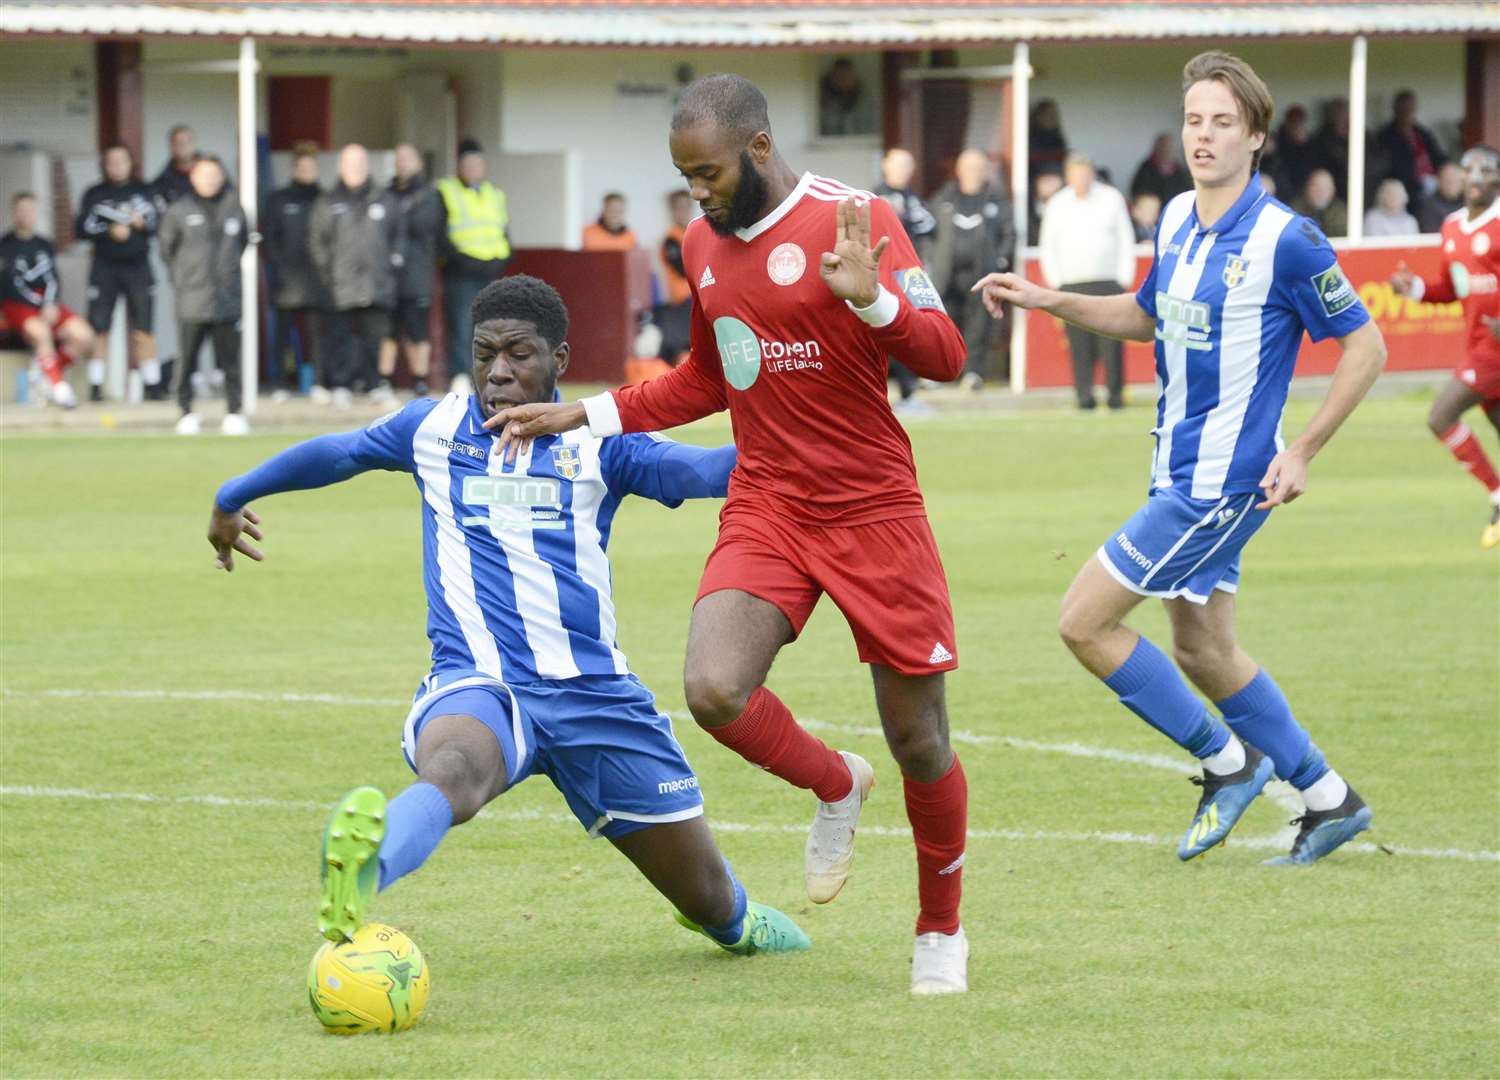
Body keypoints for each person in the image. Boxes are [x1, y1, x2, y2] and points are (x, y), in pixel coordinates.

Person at [484, 74, 973, 994]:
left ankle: (940, 931)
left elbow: (944, 357)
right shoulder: (702, 243)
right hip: (770, 502)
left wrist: (875, 302)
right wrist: (584, 415)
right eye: (682, 176)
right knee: (713, 686)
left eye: (705, 173)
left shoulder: (854, 218)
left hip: (874, 510)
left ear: (756, 148)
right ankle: (835, 782)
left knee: (920, 741)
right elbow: (706, 378)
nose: (695, 193)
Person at [205, 274, 809, 962]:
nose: (498, 371)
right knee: (455, 770)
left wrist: (803, 423)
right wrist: (232, 495)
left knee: (708, 901)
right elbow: (336, 453)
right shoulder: (433, 428)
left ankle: (735, 919)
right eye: (485, 352)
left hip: (595, 696)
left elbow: (710, 471)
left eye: (519, 354)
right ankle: (363, 870)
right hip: (482, 684)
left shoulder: (603, 444)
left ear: (558, 360)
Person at [975, 50, 1387, 867]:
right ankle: (1330, 799)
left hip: (1220, 485)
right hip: (1174, 468)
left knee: (1083, 622)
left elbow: (1366, 347)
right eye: (1194, 120)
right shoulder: (1173, 220)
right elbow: (1145, 315)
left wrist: (1302, 449)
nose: (1204, 136)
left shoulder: (1287, 240)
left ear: (1256, 138)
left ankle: (1230, 763)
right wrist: (1049, 299)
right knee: (1202, 648)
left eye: (1222, 123)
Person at [1390, 145, 1500, 548]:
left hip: (1493, 352)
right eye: (1468, 168)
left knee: (1440, 417)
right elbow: (1453, 288)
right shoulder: (1453, 227)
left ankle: (1496, 491)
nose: (1474, 176)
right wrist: (1415, 288)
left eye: (1485, 169)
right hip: (1476, 343)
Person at [157, 155, 249, 436]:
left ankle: (234, 412)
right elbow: (166, 250)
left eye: (214, 174)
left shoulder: (235, 208)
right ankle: (186, 412)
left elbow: (242, 244)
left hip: (227, 299)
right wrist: (185, 279)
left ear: (222, 176)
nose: (210, 179)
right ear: (193, 177)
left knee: (231, 361)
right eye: (203, 174)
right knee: (187, 360)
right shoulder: (179, 210)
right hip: (192, 299)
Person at [1039, 152, 1138, 410]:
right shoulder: (1058, 203)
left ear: (1092, 173)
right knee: (1079, 345)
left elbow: (1125, 239)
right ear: (1068, 176)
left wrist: (1123, 279)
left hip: (1108, 281)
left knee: (1112, 343)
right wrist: (1056, 282)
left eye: (1084, 172)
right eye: (1075, 173)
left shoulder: (1111, 198)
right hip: (1072, 282)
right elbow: (1048, 244)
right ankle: (1084, 396)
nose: (1080, 178)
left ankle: (1115, 396)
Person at [310, 144, 396, 409]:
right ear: (340, 167)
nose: (355, 168)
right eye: (350, 163)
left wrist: (390, 267)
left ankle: (375, 385)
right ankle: (341, 385)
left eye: (360, 163)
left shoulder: (384, 198)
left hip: (376, 284)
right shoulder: (327, 201)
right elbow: (317, 243)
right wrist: (329, 275)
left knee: (375, 338)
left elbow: (398, 236)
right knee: (340, 338)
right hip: (340, 285)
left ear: (367, 166)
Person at [76, 143, 163, 403]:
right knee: (99, 327)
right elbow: (80, 229)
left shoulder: (144, 190)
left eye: (121, 161)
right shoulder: (94, 193)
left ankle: (152, 384)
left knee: (144, 327)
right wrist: (108, 231)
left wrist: (140, 224)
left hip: (138, 267)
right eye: (111, 161)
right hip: (104, 268)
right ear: (105, 164)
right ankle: (95, 384)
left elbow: (159, 223)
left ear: (130, 163)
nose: (117, 166)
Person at [930, 149, 1014, 391]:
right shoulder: (944, 198)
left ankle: (973, 372)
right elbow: (928, 232)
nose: (973, 173)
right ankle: (940, 374)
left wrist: (998, 261)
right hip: (947, 275)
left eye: (978, 167)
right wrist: (930, 260)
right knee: (944, 324)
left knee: (979, 326)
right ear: (959, 170)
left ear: (986, 170)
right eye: (968, 167)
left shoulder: (996, 200)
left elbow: (1009, 234)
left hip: (981, 274)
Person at [0, 192, 94, 408]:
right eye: (21, 210)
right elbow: (11, 285)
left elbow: (53, 278)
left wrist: (49, 303)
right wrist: (38, 305)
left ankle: (47, 371)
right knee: (41, 333)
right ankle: (60, 389)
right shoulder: (5, 246)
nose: (26, 215)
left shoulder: (44, 244)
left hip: (47, 304)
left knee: (84, 336)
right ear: (14, 214)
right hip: (18, 306)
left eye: (30, 210)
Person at [437, 139, 510, 397]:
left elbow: (503, 231)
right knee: (461, 323)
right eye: (467, 164)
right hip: (461, 270)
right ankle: (460, 375)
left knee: (491, 325)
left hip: (491, 270)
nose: (473, 169)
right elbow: (440, 234)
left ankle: (487, 374)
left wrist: (502, 259)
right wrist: (458, 260)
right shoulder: (446, 191)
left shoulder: (495, 194)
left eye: (477, 164)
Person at [874, 147, 938, 414]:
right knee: (889, 330)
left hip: (910, 275)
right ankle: (893, 392)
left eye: (907, 165)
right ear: (885, 166)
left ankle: (912, 389)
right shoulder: (874, 198)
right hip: (884, 276)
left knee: (914, 326)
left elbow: (931, 228)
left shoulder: (916, 200)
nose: (903, 171)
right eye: (898, 165)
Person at [378, 143, 441, 402]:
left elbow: (429, 229)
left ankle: (420, 381)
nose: (401, 163)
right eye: (398, 158)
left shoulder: (429, 195)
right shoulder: (386, 194)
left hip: (417, 272)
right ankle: (384, 380)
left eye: (407, 158)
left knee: (417, 330)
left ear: (419, 163)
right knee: (387, 329)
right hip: (388, 275)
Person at [263, 141, 325, 400]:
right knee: (283, 336)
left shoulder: (325, 199)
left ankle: (316, 382)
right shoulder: (279, 200)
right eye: (301, 166)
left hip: (319, 280)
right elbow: (270, 239)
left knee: (317, 336)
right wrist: (279, 268)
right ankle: (280, 383)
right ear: (294, 168)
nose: (306, 171)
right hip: (287, 280)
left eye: (310, 166)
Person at [1376, 90, 1449, 206]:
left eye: (1410, 109)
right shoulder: (1385, 136)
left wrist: (1447, 169)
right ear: (1395, 109)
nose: (1407, 112)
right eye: (1403, 109)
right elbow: (1387, 166)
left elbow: (1438, 157)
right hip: (1406, 184)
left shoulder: (1422, 133)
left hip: (1432, 182)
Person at [656, 189, 696, 365]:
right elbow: (684, 268)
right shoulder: (670, 239)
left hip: (697, 298)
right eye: (678, 208)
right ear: (671, 211)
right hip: (681, 300)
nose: (683, 212)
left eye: (686, 207)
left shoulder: (696, 232)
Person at [1130, 133, 1194, 205]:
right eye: (1164, 146)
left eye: (1170, 147)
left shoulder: (1181, 172)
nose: (1167, 150)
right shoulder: (1146, 169)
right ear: (1156, 148)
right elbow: (1138, 194)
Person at [1291, 168, 1347, 238]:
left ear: (1333, 190)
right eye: (1316, 186)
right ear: (1307, 188)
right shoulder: (1295, 210)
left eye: (1326, 187)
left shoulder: (1340, 212)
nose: (1321, 192)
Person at [152, 124, 197, 211]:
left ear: (193, 144)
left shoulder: (212, 171)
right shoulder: (162, 182)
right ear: (171, 146)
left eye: (187, 141)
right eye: (178, 143)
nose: (183, 146)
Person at [1418, 161, 1466, 233]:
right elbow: (1432, 234)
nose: (1451, 184)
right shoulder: (1429, 205)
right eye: (1447, 180)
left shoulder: (1470, 202)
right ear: (1439, 181)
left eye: (1455, 180)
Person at [1029, 99, 1068, 185]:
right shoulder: (1032, 134)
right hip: (1040, 173)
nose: (1052, 117)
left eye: (1054, 114)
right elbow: (1034, 156)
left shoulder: (1056, 134)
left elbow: (1062, 152)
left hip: (1058, 170)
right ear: (1039, 116)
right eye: (1048, 114)